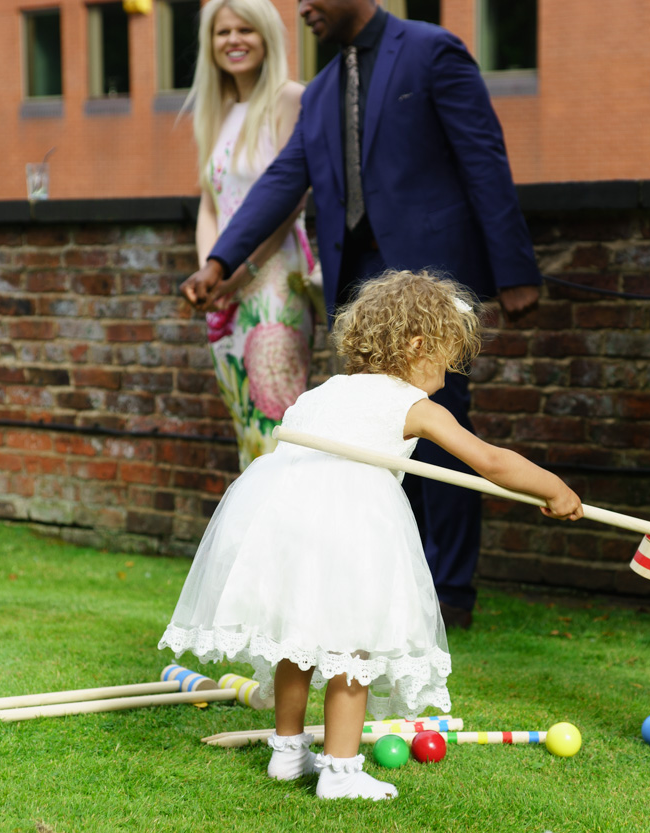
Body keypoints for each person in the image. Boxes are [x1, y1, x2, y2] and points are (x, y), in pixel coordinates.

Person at [179, 0, 542, 630]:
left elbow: (484, 158)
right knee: (383, 434)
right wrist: (219, 262)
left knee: (442, 424)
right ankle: (405, 582)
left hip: (431, 285)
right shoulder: (319, 93)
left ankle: (451, 589)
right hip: (362, 292)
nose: (303, 9)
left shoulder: (432, 51)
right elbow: (282, 181)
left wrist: (513, 271)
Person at [161, 270, 581, 800]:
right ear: (418, 344)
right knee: (351, 647)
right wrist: (553, 487)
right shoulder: (412, 405)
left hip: (281, 522)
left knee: (300, 637)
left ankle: (287, 754)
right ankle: (341, 772)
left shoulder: (322, 392)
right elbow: (490, 462)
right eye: (447, 358)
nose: (449, 374)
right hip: (350, 529)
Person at [184, 0, 317, 470]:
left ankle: (284, 538)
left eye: (246, 30)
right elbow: (209, 201)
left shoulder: (290, 99)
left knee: (275, 423)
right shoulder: (216, 109)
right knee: (243, 417)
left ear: (267, 37)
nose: (234, 40)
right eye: (223, 32)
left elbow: (289, 200)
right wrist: (210, 272)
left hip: (274, 280)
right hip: (221, 288)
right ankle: (253, 539)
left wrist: (241, 273)